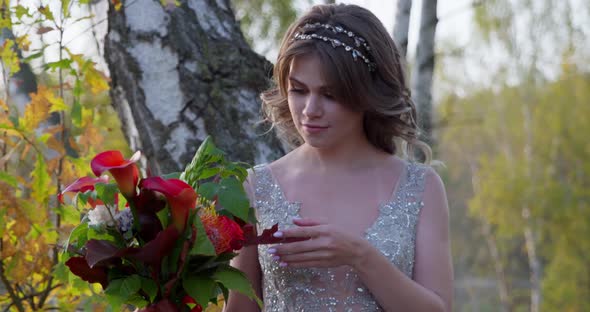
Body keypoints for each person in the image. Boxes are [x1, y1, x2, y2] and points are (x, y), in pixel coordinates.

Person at [224, 3, 452, 312]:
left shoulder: (421, 187)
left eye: (330, 95)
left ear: (367, 93)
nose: (310, 109)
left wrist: (360, 256)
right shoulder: (256, 186)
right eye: (299, 90)